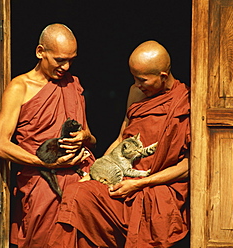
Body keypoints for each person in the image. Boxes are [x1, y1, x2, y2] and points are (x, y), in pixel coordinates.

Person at [47, 40, 190, 248]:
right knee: (77, 194)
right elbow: (122, 138)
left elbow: (189, 166)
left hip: (157, 186)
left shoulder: (186, 102)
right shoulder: (136, 93)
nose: (136, 84)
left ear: (163, 76)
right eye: (133, 77)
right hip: (121, 177)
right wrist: (96, 171)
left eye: (142, 80)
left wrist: (140, 183)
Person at [0, 23, 96, 248]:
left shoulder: (73, 85)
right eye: (59, 60)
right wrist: (45, 163)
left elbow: (91, 140)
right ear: (40, 52)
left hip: (79, 183)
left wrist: (85, 137)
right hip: (42, 185)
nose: (66, 67)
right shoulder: (20, 87)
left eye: (71, 60)